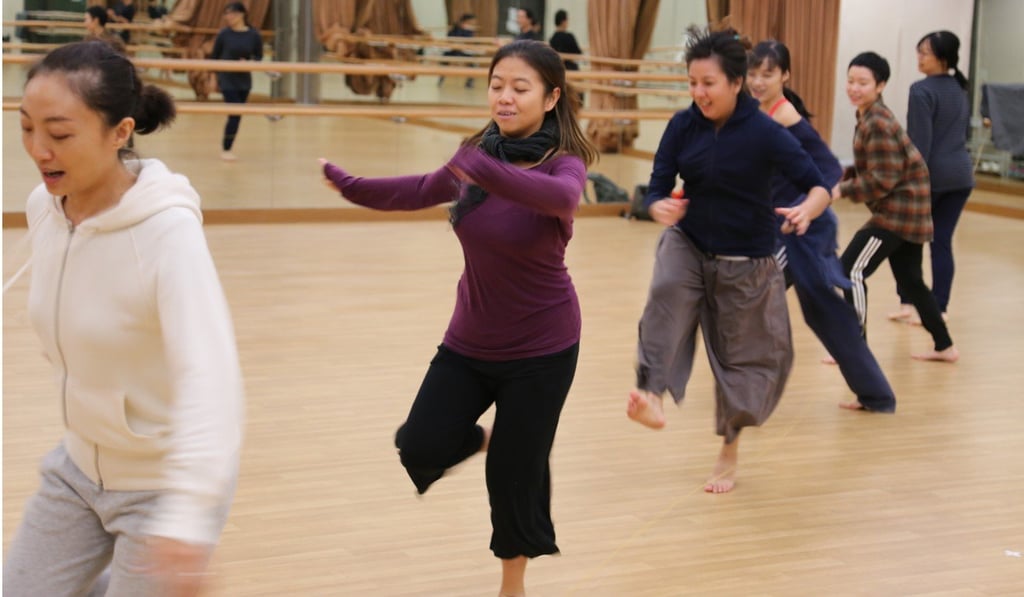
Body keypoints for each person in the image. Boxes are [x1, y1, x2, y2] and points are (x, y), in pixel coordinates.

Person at [319, 39, 597, 597]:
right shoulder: (479, 153)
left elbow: (556, 200)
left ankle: (511, 586)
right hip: (470, 340)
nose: (505, 96)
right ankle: (493, 438)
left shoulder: (564, 165)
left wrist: (484, 170)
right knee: (419, 443)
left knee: (514, 477)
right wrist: (352, 185)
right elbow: (422, 188)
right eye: (497, 85)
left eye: (520, 88)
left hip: (543, 348)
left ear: (551, 97)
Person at [4, 40, 244, 596]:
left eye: (60, 134)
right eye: (25, 128)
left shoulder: (166, 233)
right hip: (78, 468)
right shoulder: (46, 208)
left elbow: (212, 381)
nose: (39, 150)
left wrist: (185, 519)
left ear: (120, 132)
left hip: (162, 486)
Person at [625, 27, 833, 493]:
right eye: (692, 82)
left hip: (746, 261)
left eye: (709, 83)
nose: (698, 93)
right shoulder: (683, 125)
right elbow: (657, 188)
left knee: (742, 362)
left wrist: (806, 210)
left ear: (736, 84)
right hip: (691, 241)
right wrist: (660, 207)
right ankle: (651, 393)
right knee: (664, 295)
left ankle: (729, 447)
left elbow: (817, 183)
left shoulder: (765, 133)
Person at [748, 40, 896, 413]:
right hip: (787, 229)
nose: (758, 81)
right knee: (811, 309)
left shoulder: (785, 117)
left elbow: (829, 171)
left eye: (768, 74)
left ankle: (756, 386)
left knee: (757, 302)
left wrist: (806, 210)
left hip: (806, 230)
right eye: (752, 73)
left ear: (785, 76)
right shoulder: (756, 112)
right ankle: (876, 395)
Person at [836, 51, 958, 363]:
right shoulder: (869, 115)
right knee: (911, 281)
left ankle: (854, 350)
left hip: (898, 212)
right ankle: (944, 346)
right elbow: (877, 166)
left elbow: (882, 180)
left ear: (880, 85)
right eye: (850, 81)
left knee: (849, 270)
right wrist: (847, 175)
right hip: (909, 210)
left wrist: (841, 189)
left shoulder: (877, 121)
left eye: (862, 82)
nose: (854, 87)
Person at [889, 31, 974, 324]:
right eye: (919, 51)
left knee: (906, 240)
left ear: (942, 58)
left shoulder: (921, 90)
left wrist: (905, 181)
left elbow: (919, 145)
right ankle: (939, 307)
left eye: (925, 52)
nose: (919, 57)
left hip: (932, 177)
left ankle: (909, 303)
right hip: (962, 176)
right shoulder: (960, 89)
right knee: (942, 242)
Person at [211, 2, 263, 161]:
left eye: (231, 14)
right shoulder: (224, 34)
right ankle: (226, 148)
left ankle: (228, 146)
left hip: (244, 80)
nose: (228, 17)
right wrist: (214, 78)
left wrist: (250, 63)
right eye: (226, 14)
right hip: (227, 79)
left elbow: (258, 57)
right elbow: (214, 58)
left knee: (238, 115)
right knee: (234, 114)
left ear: (241, 14)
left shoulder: (253, 35)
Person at [438, 13, 477, 89]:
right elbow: (450, 38)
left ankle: (469, 82)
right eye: (470, 22)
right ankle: (441, 79)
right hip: (452, 50)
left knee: (472, 62)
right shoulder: (455, 28)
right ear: (465, 21)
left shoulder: (470, 30)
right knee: (444, 60)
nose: (472, 24)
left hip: (464, 51)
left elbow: (470, 41)